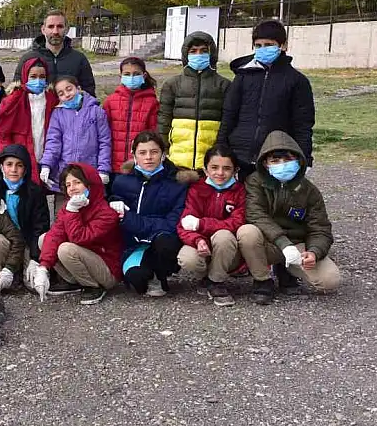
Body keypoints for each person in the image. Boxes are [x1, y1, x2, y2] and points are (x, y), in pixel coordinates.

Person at [238, 130, 340, 305]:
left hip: (298, 245)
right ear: (265, 163)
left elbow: (321, 228)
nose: (282, 164)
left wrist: (314, 252)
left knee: (330, 280)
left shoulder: (309, 190)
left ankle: (287, 271)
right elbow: (255, 214)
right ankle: (262, 280)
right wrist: (283, 243)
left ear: (299, 161)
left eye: (288, 159)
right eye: (275, 161)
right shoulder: (254, 182)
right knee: (247, 232)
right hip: (267, 243)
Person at [218, 20, 315, 179]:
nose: (263, 49)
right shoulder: (243, 76)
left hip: (275, 158)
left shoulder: (297, 81)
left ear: (283, 46)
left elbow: (303, 124)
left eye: (268, 44)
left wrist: (305, 158)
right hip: (239, 156)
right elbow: (229, 114)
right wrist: (221, 147)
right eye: (258, 45)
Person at [109, 131, 192, 297]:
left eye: (154, 152)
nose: (148, 157)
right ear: (134, 156)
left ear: (163, 155)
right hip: (133, 244)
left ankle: (162, 274)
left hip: (162, 240)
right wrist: (113, 202)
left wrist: (131, 219)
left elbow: (171, 223)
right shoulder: (121, 182)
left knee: (166, 242)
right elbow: (116, 221)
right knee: (137, 280)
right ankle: (148, 274)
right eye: (142, 152)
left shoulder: (177, 183)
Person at [34, 163, 123, 305]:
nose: (72, 188)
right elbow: (55, 235)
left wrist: (72, 212)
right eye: (68, 185)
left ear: (90, 185)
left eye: (77, 182)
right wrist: (43, 267)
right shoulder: (69, 207)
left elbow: (80, 238)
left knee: (65, 249)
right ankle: (74, 282)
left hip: (107, 269)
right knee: (44, 239)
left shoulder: (106, 212)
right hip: (85, 259)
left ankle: (93, 286)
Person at [0, 144, 67, 293]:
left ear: (26, 169)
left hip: (28, 243)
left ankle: (26, 268)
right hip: (7, 241)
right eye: (9, 164)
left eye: (19, 165)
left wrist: (35, 259)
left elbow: (40, 226)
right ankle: (12, 270)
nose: (13, 170)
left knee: (34, 286)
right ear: (1, 166)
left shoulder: (34, 192)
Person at [176, 145, 246, 307]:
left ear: (235, 171)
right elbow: (185, 224)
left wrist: (201, 224)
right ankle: (204, 277)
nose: (220, 173)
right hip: (201, 243)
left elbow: (237, 222)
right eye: (214, 168)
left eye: (226, 168)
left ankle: (216, 281)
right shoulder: (196, 189)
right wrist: (198, 240)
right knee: (187, 259)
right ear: (205, 170)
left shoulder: (239, 191)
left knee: (224, 235)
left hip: (227, 249)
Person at [158, 32, 231, 170]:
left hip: (212, 162)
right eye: (193, 51)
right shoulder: (172, 84)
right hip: (177, 161)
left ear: (212, 54)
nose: (198, 55)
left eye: (204, 51)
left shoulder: (224, 85)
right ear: (186, 55)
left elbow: (228, 121)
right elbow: (164, 119)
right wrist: (164, 150)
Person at [39, 75, 111, 192]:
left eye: (69, 89)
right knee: (65, 208)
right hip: (67, 174)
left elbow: (104, 142)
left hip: (90, 173)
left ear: (78, 88)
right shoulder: (58, 114)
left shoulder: (96, 111)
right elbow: (53, 142)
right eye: (61, 93)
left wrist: (103, 169)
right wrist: (46, 165)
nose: (67, 95)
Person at [0, 56, 57, 185]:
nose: (38, 80)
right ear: (25, 76)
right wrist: (9, 163)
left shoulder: (52, 100)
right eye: (33, 77)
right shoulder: (12, 101)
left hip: (48, 160)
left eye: (42, 76)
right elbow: (4, 136)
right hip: (21, 161)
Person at [17, 10, 96, 96]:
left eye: (60, 26)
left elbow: (89, 93)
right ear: (43, 29)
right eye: (51, 26)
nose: (55, 31)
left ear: (67, 29)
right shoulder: (28, 59)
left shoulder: (79, 59)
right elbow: (16, 92)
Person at [103, 57, 159, 173]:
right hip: (113, 165)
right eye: (127, 74)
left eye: (136, 74)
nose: (131, 78)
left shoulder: (152, 102)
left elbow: (154, 134)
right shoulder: (110, 101)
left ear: (143, 76)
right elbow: (104, 134)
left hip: (140, 165)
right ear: (121, 77)